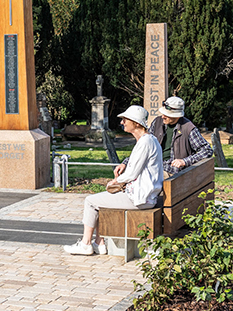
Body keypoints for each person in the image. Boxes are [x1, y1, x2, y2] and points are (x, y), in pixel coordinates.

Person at [65, 105, 163, 255]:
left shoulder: (145, 142)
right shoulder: (150, 140)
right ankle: (100, 243)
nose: (122, 122)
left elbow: (132, 173)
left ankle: (85, 244)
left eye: (125, 119)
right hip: (145, 196)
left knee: (90, 201)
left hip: (141, 199)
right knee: (103, 200)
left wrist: (115, 182)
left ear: (136, 123)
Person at [114, 96, 212, 178]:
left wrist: (184, 161)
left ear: (177, 116)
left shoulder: (188, 128)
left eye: (167, 115)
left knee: (138, 179)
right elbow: (144, 147)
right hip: (154, 167)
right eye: (163, 113)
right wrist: (126, 163)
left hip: (174, 173)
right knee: (127, 175)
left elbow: (207, 150)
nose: (163, 116)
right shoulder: (157, 122)